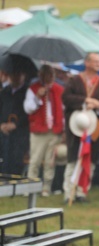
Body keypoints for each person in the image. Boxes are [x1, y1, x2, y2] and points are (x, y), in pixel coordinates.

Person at [62, 52, 99, 203]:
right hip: (76, 125)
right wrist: (85, 101)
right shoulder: (75, 81)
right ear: (87, 63)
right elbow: (66, 98)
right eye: (96, 61)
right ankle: (68, 192)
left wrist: (98, 105)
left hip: (95, 127)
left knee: (90, 160)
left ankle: (82, 192)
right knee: (73, 159)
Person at [24, 65, 64, 197]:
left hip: (54, 130)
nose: (48, 77)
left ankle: (46, 187)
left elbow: (63, 110)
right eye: (45, 74)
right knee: (35, 160)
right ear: (40, 75)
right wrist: (37, 97)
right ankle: (30, 187)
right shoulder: (33, 89)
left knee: (50, 161)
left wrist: (63, 129)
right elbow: (28, 109)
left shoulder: (59, 90)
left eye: (50, 74)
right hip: (38, 131)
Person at [0, 70, 29, 176]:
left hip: (20, 133)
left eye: (18, 74)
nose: (15, 77)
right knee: (4, 157)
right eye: (12, 74)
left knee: (17, 159)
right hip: (4, 132)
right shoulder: (4, 92)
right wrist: (1, 125)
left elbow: (28, 114)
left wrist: (16, 124)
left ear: (23, 75)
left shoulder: (27, 92)